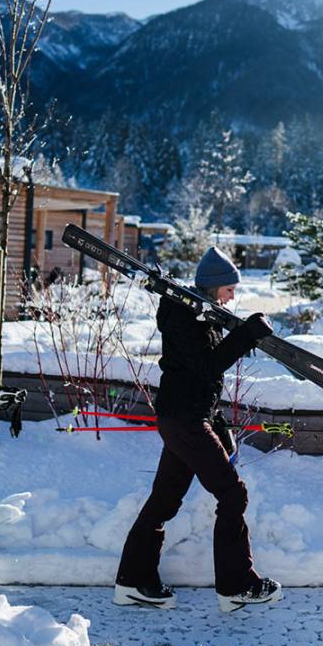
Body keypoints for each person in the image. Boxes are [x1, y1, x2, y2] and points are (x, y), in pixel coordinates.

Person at [114, 246, 281, 612]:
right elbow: (207, 366)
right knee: (232, 494)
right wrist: (246, 336)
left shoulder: (199, 315)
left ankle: (133, 582)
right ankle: (237, 586)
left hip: (185, 417)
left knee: (164, 500)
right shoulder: (184, 316)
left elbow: (201, 377)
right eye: (229, 289)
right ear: (214, 285)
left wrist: (217, 423)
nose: (232, 296)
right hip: (185, 420)